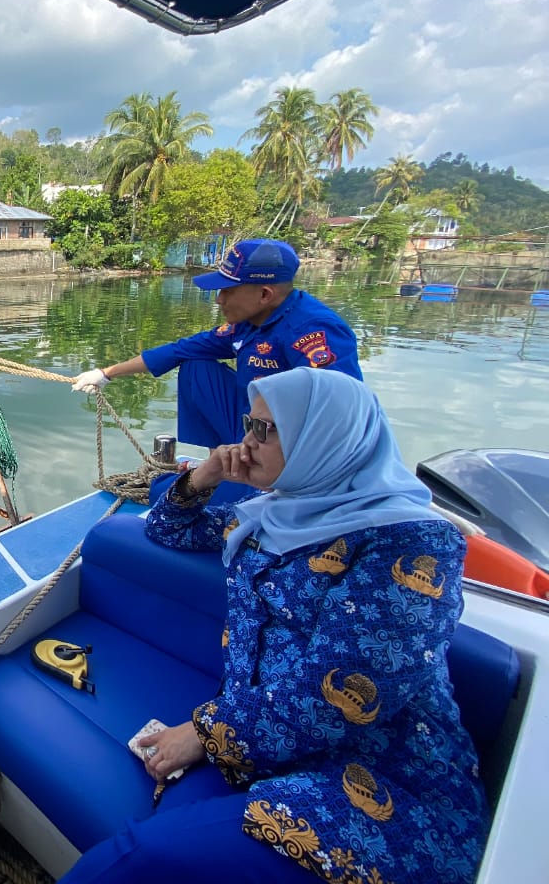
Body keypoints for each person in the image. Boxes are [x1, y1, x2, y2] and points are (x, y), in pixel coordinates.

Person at [59, 367, 487, 884]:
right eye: (248, 424)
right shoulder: (272, 514)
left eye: (266, 429)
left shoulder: (411, 544)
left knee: (135, 859)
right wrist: (206, 475)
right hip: (264, 749)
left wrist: (204, 733)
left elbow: (347, 692)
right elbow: (167, 529)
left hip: (373, 778)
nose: (246, 441)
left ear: (326, 436)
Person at [70, 238, 363, 448]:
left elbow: (337, 413)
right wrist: (106, 373)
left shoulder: (313, 332)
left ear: (264, 294)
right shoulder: (247, 324)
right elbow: (178, 350)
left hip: (292, 448)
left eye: (227, 291)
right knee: (196, 365)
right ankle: (221, 454)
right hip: (251, 428)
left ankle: (242, 471)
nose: (219, 299)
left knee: (201, 503)